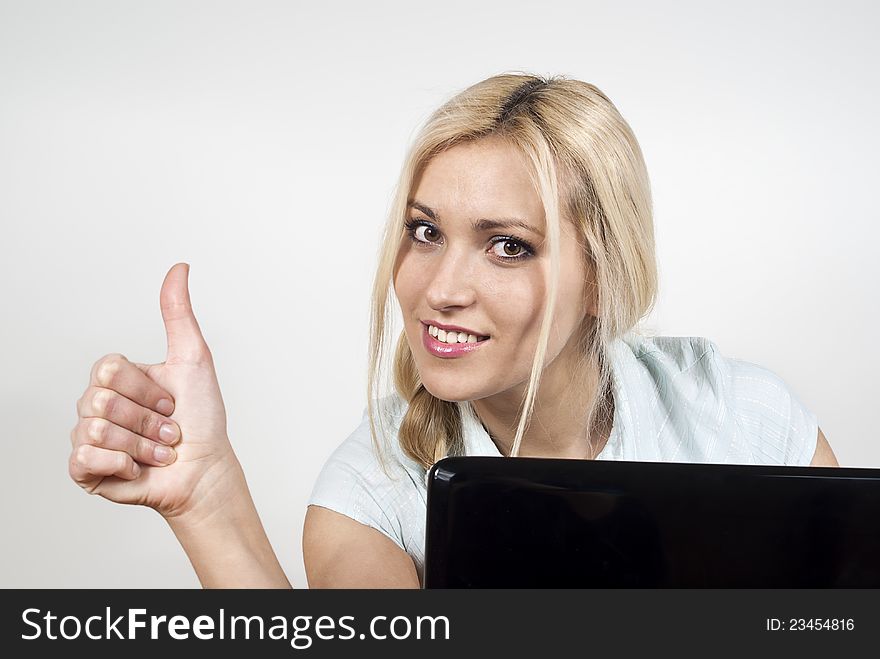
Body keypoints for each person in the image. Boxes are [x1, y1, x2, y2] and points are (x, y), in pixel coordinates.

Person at [68, 72, 839, 589]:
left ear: (603, 276)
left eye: (508, 245)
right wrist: (209, 500)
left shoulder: (746, 419)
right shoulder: (374, 496)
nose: (439, 290)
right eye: (426, 231)